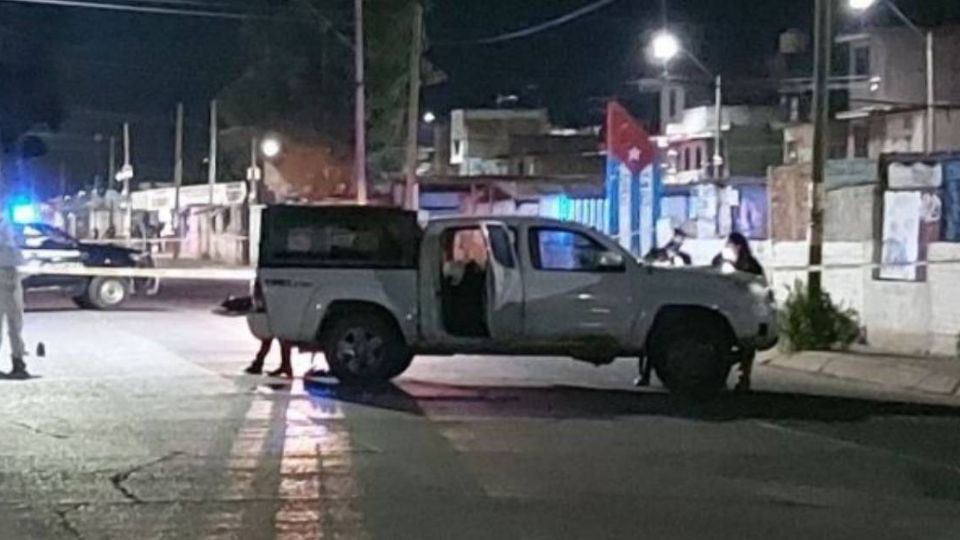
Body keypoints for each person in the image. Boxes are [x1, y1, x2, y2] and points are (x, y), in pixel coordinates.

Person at [712, 233, 764, 391]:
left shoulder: (750, 264)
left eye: (732, 245)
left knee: (747, 345)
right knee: (719, 345)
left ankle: (744, 378)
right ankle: (718, 378)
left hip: (745, 310)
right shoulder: (719, 260)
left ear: (739, 247)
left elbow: (757, 283)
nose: (729, 248)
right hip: (722, 309)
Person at [0, 210, 28, 378]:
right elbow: (11, 246)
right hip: (7, 273)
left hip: (8, 271)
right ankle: (18, 363)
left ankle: (18, 362)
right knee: (14, 322)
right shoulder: (6, 224)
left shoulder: (6, 222)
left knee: (14, 323)